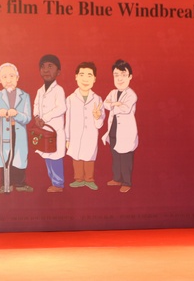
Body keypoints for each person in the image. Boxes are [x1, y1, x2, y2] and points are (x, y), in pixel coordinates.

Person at [0, 63, 33, 194]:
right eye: (4, 77)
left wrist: (16, 114)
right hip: (3, 132)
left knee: (18, 156)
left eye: (11, 76)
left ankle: (20, 183)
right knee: (5, 156)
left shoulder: (24, 96)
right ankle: (5, 184)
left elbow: (27, 118)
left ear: (17, 77)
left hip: (18, 132)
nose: (8, 80)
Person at [65, 62, 105, 190]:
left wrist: (97, 116)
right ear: (76, 77)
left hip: (90, 134)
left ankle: (89, 179)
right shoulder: (70, 99)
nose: (85, 79)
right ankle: (78, 179)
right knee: (76, 156)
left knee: (89, 157)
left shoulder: (97, 99)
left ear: (94, 79)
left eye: (89, 75)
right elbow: (68, 120)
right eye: (82, 75)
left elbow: (100, 124)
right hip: (75, 134)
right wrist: (67, 138)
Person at [101, 59, 138, 193]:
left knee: (125, 158)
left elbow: (125, 109)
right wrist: (115, 104)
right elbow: (105, 104)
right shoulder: (113, 92)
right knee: (115, 156)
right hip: (113, 131)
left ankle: (127, 182)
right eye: (116, 75)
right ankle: (117, 178)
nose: (119, 78)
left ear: (130, 76)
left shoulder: (131, 94)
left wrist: (114, 105)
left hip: (126, 133)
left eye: (123, 75)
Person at [33, 54, 67, 193]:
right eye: (43, 67)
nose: (46, 70)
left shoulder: (59, 90)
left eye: (50, 66)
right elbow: (36, 105)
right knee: (47, 156)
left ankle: (58, 184)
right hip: (44, 130)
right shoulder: (40, 91)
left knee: (55, 157)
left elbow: (61, 108)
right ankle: (53, 181)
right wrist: (36, 117)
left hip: (54, 130)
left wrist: (45, 118)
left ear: (58, 72)